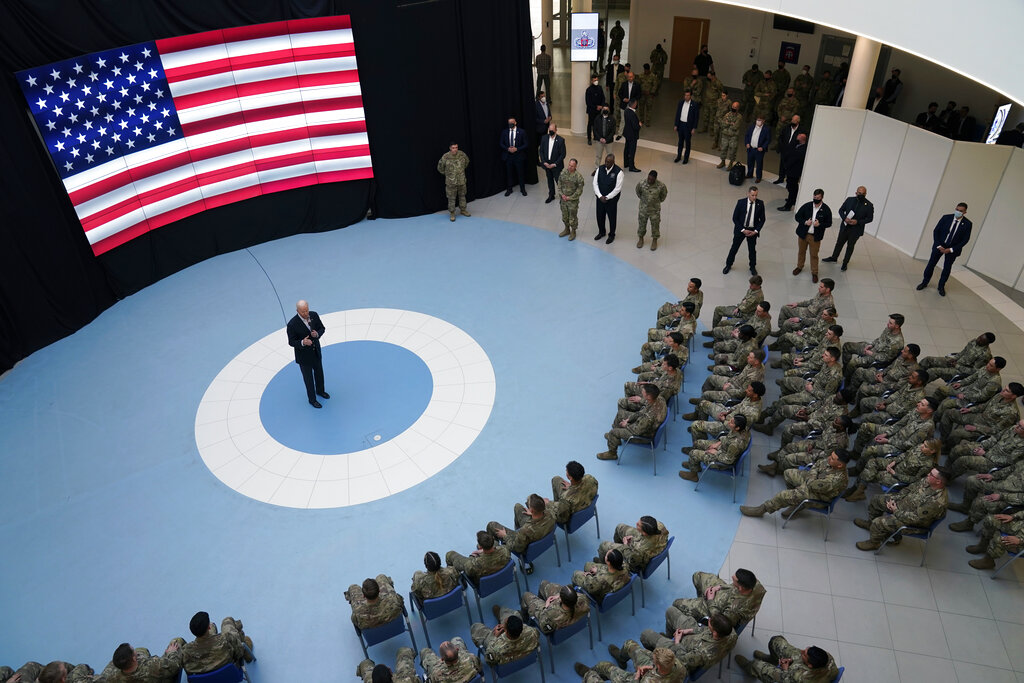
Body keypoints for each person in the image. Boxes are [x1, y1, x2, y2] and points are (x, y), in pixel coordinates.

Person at [854, 467, 950, 551]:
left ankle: (874, 543)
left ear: (938, 481)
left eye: (931, 474)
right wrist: (896, 498)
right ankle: (870, 524)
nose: (928, 474)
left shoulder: (936, 502)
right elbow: (909, 489)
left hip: (914, 524)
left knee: (879, 522)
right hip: (902, 505)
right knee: (876, 500)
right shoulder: (928, 481)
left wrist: (896, 510)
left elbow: (915, 519)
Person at [740, 449, 851, 517]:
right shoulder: (831, 463)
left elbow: (812, 485)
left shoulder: (836, 479)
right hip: (813, 485)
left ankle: (762, 509)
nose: (828, 458)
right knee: (788, 473)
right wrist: (813, 476)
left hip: (819, 497)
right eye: (830, 455)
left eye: (832, 458)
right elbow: (817, 464)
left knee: (782, 495)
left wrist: (812, 477)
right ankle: (795, 502)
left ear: (840, 465)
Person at [665, 569, 765, 631]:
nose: (732, 577)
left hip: (715, 607)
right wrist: (720, 586)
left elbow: (719, 621)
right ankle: (702, 598)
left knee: (677, 603)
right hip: (722, 592)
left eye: (734, 580)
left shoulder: (734, 610)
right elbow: (732, 587)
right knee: (697, 576)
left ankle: (700, 610)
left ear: (740, 588)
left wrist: (710, 599)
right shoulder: (755, 584)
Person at [597, 383, 666, 460]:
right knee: (621, 414)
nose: (641, 393)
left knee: (613, 432)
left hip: (644, 436)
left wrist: (626, 425)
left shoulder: (649, 417)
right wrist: (629, 419)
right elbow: (643, 411)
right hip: (644, 426)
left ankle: (612, 453)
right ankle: (615, 440)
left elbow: (637, 431)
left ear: (649, 396)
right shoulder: (660, 399)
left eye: (643, 392)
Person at [916, 202, 972, 296]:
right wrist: (938, 245)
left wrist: (951, 249)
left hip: (952, 250)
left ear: (965, 212)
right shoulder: (946, 218)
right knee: (931, 264)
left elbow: (965, 240)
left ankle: (941, 286)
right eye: (957, 210)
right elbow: (936, 231)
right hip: (939, 246)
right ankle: (924, 282)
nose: (958, 212)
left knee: (947, 268)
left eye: (961, 211)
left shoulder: (967, 224)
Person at [678, 414, 750, 482]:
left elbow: (728, 460)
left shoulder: (735, 444)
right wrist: (718, 443)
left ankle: (693, 475)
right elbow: (728, 438)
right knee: (698, 443)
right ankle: (694, 465)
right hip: (723, 448)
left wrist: (715, 452)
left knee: (693, 453)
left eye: (731, 422)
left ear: (737, 428)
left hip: (721, 460)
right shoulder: (743, 429)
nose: (729, 422)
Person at [286, 299, 328, 408]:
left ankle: (320, 391)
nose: (306, 313)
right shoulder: (292, 324)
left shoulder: (314, 315)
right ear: (297, 311)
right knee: (308, 379)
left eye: (307, 310)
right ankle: (312, 400)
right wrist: (302, 342)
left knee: (319, 374)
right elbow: (291, 341)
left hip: (316, 352)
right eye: (303, 312)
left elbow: (322, 328)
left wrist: (317, 334)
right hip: (304, 357)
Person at [734, 638, 838, 682]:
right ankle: (772, 659)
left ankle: (749, 666)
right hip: (802, 670)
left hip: (789, 678)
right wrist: (793, 659)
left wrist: (785, 668)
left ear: (810, 665)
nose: (802, 652)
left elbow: (786, 680)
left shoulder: (801, 676)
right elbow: (802, 654)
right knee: (776, 641)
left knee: (758, 665)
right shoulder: (828, 659)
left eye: (804, 654)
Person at [180, 612, 252, 675]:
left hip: (205, 680)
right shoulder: (226, 639)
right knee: (227, 621)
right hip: (229, 675)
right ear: (208, 628)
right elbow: (239, 652)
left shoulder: (185, 652)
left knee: (212, 625)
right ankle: (248, 655)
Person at [486, 493, 555, 558]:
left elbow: (517, 548)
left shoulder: (525, 531)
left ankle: (496, 555)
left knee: (491, 525)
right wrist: (533, 514)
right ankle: (517, 534)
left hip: (527, 545)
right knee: (518, 507)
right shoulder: (551, 513)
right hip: (541, 533)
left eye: (529, 504)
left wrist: (505, 536)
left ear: (531, 510)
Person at [823, 186, 873, 271]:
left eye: (863, 194)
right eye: (859, 193)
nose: (861, 195)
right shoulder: (849, 200)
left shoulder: (869, 205)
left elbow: (870, 218)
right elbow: (841, 210)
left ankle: (845, 263)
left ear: (866, 194)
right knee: (839, 243)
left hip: (856, 230)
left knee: (850, 246)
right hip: (845, 226)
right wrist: (844, 218)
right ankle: (834, 257)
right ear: (856, 193)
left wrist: (857, 222)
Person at [597, 515, 669, 573]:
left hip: (636, 560)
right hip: (650, 544)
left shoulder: (639, 550)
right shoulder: (660, 526)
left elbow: (632, 560)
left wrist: (625, 546)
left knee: (603, 546)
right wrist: (635, 538)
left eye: (638, 525)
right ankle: (616, 557)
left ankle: (609, 564)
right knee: (620, 527)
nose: (636, 523)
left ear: (644, 533)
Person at [575, 646, 682, 683]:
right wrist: (651, 668)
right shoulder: (679, 666)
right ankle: (621, 658)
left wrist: (636, 678)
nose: (651, 659)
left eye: (653, 660)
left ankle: (589, 674)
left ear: (658, 666)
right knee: (630, 645)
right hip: (655, 677)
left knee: (604, 666)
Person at [723, 186, 766, 276]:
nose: (754, 197)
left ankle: (752, 267)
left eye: (756, 195)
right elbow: (735, 218)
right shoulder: (741, 202)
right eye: (752, 195)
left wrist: (756, 231)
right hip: (741, 230)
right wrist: (743, 230)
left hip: (752, 231)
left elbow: (762, 219)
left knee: (752, 250)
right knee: (734, 248)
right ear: (748, 194)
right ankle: (728, 265)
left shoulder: (760, 204)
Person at [472, 611, 539, 667]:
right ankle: (500, 611)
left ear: (506, 631)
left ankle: (499, 612)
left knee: (476, 627)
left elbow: (489, 660)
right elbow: (537, 634)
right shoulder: (532, 632)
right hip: (524, 657)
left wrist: (495, 636)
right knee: (511, 613)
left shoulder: (495, 649)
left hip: (494, 645)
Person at [792, 188, 832, 281]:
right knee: (801, 252)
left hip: (815, 237)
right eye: (814, 197)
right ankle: (799, 267)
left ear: (822, 198)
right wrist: (805, 222)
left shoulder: (826, 209)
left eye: (818, 197)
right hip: (803, 234)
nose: (815, 199)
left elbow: (829, 223)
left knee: (814, 255)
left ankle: (814, 272)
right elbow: (797, 216)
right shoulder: (807, 206)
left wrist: (820, 225)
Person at [99, 640, 185, 683]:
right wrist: (172, 652)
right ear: (134, 659)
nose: (136, 652)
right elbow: (175, 665)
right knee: (176, 641)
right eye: (134, 651)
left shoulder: (112, 678)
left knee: (141, 650)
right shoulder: (154, 666)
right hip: (162, 679)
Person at [521, 581, 589, 634]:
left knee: (526, 595)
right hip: (571, 618)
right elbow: (577, 596)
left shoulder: (552, 615)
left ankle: (525, 620)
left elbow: (544, 627)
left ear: (561, 599)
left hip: (546, 613)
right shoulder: (583, 601)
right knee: (544, 584)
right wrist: (558, 596)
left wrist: (546, 607)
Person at [445, 530, 511, 583]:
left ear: (480, 546)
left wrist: (472, 556)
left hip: (484, 584)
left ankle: (459, 582)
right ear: (493, 540)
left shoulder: (474, 565)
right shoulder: (505, 550)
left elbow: (468, 571)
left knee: (450, 555)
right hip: (503, 575)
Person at [547, 460, 599, 524]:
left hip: (571, 515)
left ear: (570, 478)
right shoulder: (590, 479)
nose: (566, 471)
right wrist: (571, 487)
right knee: (556, 479)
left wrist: (549, 504)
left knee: (545, 503)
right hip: (585, 507)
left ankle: (557, 505)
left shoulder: (566, 499)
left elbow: (563, 519)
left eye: (567, 471)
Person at [593, 153, 624, 244]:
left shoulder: (619, 172)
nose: (606, 163)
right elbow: (595, 183)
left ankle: (611, 235)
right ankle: (601, 232)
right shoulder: (600, 169)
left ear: (613, 162)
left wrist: (607, 197)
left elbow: (617, 188)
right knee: (600, 216)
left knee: (612, 218)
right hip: (600, 198)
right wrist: (600, 196)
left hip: (611, 201)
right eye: (606, 161)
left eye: (609, 162)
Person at [437, 142, 470, 222]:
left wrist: (460, 172)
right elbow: (440, 168)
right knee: (451, 198)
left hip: (461, 180)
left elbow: (467, 162)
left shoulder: (462, 154)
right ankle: (452, 213)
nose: (455, 149)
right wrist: (449, 175)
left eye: (456, 147)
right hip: (451, 182)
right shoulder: (445, 157)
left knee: (462, 196)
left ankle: (463, 210)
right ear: (450, 148)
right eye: (453, 148)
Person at [636, 170, 668, 251]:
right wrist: (644, 201)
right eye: (648, 178)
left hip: (654, 210)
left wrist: (655, 202)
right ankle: (641, 239)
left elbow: (663, 196)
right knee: (641, 225)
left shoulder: (661, 186)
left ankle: (654, 240)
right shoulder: (641, 183)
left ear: (655, 179)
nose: (649, 180)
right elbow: (638, 192)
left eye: (651, 179)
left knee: (655, 226)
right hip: (643, 209)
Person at [557, 158, 585, 241]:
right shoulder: (563, 173)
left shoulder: (579, 177)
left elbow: (579, 191)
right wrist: (562, 195)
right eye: (569, 165)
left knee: (572, 217)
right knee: (565, 216)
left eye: (572, 166)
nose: (570, 167)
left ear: (576, 166)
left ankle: (573, 231)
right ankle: (566, 229)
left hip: (572, 201)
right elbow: (559, 185)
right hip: (563, 200)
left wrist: (570, 197)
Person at [538, 122, 566, 204]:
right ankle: (551, 195)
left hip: (556, 166)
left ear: (556, 130)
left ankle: (562, 196)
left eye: (552, 130)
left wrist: (554, 164)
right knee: (549, 180)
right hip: (547, 165)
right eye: (549, 130)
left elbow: (563, 154)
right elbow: (541, 151)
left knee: (559, 182)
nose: (550, 132)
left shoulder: (561, 140)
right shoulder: (544, 138)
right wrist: (544, 162)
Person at [500, 116, 526, 197]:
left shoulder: (522, 132)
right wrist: (508, 149)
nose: (510, 124)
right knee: (509, 174)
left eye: (512, 123)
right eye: (509, 123)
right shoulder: (504, 132)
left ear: (515, 123)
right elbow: (501, 143)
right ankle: (509, 189)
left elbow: (526, 144)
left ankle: (522, 189)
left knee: (520, 173)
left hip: (518, 156)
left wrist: (517, 149)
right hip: (508, 156)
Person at [780, 133, 807, 211]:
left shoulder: (802, 149)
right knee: (792, 187)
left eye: (798, 139)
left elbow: (794, 158)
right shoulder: (797, 146)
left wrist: (787, 165)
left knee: (792, 188)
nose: (796, 140)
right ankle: (793, 200)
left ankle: (788, 205)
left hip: (794, 171)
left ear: (801, 140)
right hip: (791, 170)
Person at [673, 91, 699, 164]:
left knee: (687, 143)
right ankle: (678, 156)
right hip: (681, 125)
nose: (686, 97)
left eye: (688, 95)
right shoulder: (681, 103)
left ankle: (686, 158)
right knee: (680, 142)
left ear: (690, 96)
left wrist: (694, 128)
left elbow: (696, 117)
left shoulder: (694, 104)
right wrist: (676, 124)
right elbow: (678, 114)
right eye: (685, 95)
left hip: (688, 126)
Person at [743, 115, 771, 182]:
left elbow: (768, 140)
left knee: (759, 164)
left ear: (763, 121)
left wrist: (763, 147)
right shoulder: (751, 127)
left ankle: (758, 177)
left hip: (759, 150)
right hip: (751, 148)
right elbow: (747, 135)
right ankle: (749, 174)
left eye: (760, 120)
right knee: (750, 162)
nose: (758, 121)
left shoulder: (766, 129)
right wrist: (747, 143)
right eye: (757, 120)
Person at [716, 102, 743, 169]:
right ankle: (722, 162)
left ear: (738, 108)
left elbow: (735, 127)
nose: (733, 108)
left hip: (733, 137)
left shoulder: (739, 117)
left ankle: (731, 163)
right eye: (733, 106)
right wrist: (731, 123)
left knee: (732, 151)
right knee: (723, 149)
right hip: (725, 135)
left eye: (735, 107)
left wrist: (728, 123)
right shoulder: (727, 114)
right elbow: (723, 124)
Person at [617, 71, 641, 140]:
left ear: (633, 77)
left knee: (632, 120)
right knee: (623, 120)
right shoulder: (624, 84)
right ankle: (620, 133)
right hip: (624, 105)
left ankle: (632, 133)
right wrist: (623, 99)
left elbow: (639, 95)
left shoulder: (637, 85)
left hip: (632, 106)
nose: (629, 78)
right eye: (628, 77)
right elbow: (620, 93)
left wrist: (632, 100)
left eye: (631, 77)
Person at [622, 99, 641, 173]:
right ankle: (631, 166)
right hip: (632, 135)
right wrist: (639, 125)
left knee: (626, 148)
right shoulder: (632, 114)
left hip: (627, 133)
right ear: (634, 104)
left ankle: (626, 163)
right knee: (632, 150)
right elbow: (635, 126)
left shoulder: (626, 111)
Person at [585, 74, 605, 145]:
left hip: (599, 110)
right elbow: (588, 102)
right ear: (591, 81)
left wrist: (601, 106)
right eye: (594, 80)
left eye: (597, 80)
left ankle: (596, 136)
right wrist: (596, 106)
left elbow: (603, 98)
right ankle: (589, 138)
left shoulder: (600, 88)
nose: (596, 81)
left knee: (597, 124)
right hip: (591, 110)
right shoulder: (588, 90)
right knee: (590, 124)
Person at [534, 91, 551, 166]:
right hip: (539, 129)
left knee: (544, 145)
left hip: (546, 128)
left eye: (544, 96)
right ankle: (537, 160)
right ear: (538, 97)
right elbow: (534, 118)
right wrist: (543, 121)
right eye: (542, 96)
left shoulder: (546, 103)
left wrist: (550, 117)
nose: (543, 98)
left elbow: (549, 113)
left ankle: (544, 160)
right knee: (538, 146)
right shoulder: (535, 105)